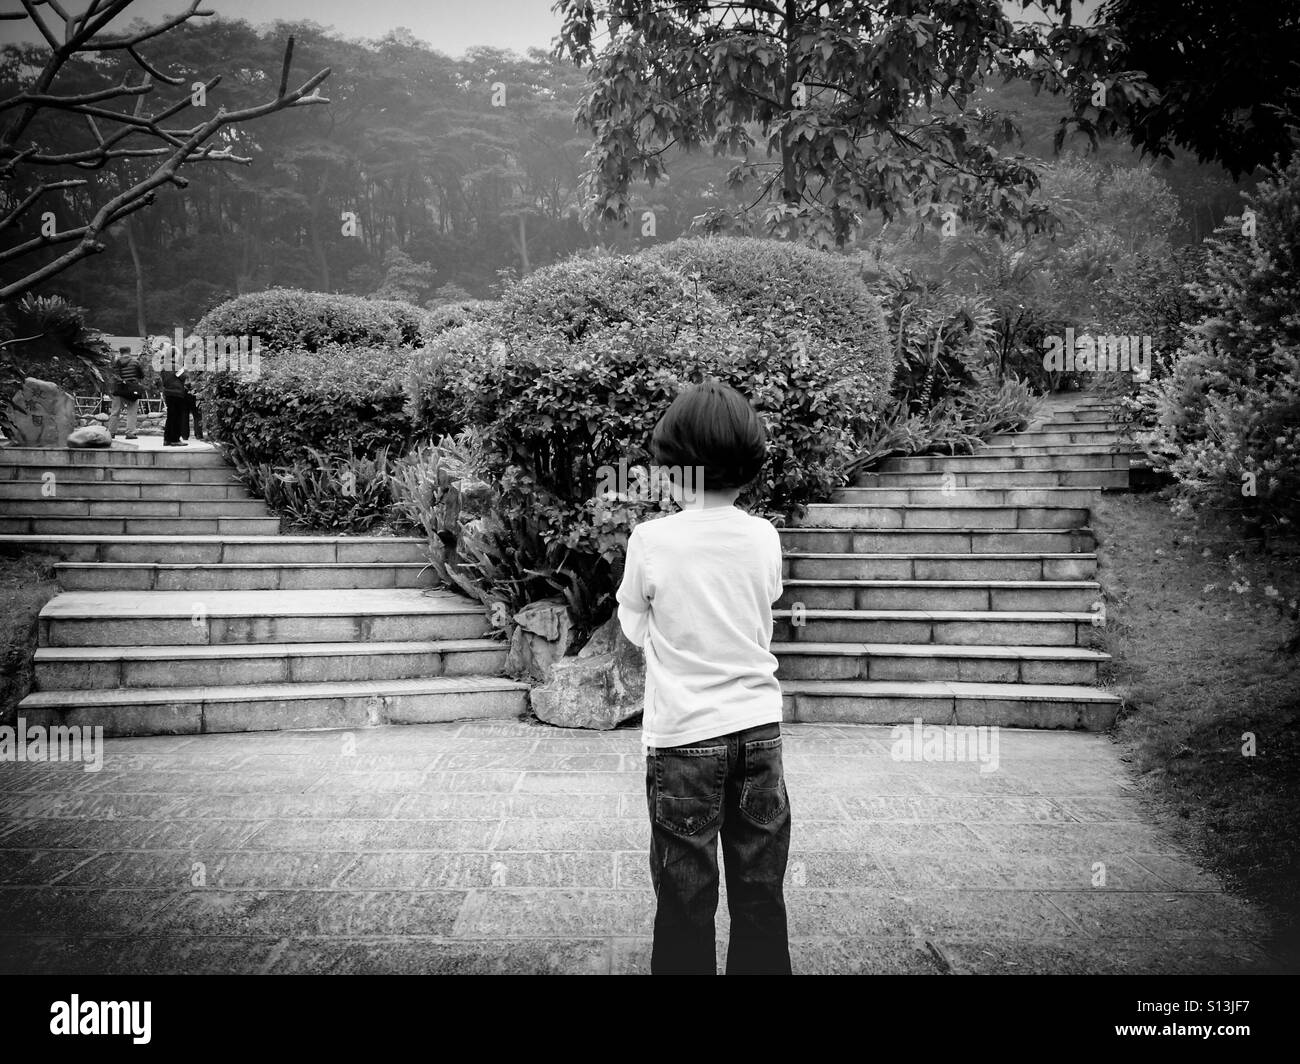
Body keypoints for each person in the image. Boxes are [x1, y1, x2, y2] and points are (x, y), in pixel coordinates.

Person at [616, 379, 792, 975]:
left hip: (684, 737)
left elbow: (633, 624)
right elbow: (762, 606)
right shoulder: (764, 535)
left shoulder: (652, 540)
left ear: (673, 468)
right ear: (749, 463)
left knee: (686, 898)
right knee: (761, 890)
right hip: (759, 731)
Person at [106, 345, 144, 439]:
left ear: (120, 352)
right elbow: (141, 375)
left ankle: (111, 432)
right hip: (132, 390)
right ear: (130, 351)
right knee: (132, 411)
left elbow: (113, 375)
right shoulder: (135, 362)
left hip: (118, 389)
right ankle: (130, 432)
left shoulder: (116, 362)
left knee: (115, 412)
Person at [160, 364, 201, 446]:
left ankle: (167, 439)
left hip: (168, 393)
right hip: (177, 393)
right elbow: (183, 376)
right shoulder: (176, 366)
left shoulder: (163, 368)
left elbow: (163, 381)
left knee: (170, 417)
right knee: (177, 417)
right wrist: (185, 371)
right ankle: (175, 439)